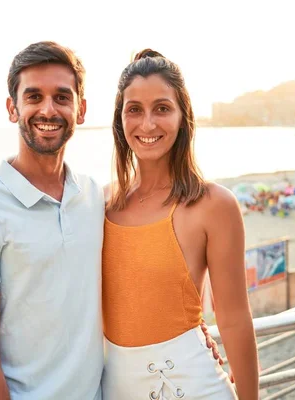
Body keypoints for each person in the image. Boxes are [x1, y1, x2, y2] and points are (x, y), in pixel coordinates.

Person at [0, 42, 220, 400]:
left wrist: (193, 332)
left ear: (80, 110)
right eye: (33, 97)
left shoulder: (98, 198)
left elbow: (146, 272)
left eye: (62, 97)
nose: (48, 109)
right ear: (11, 108)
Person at [102, 49, 258, 399]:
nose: (148, 124)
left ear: (183, 115)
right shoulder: (99, 206)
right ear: (120, 120)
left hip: (195, 387)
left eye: (162, 108)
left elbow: (233, 320)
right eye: (134, 110)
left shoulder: (213, 205)